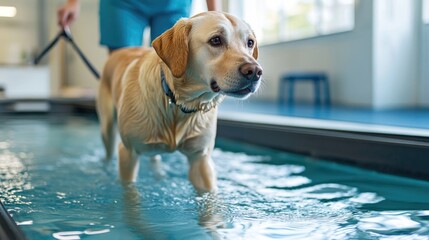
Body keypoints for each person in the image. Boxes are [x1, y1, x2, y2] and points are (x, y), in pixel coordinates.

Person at [57, 0, 221, 53]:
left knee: (171, 69)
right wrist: (73, 2)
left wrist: (217, 17)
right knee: (122, 70)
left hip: (172, 3)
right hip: (122, 4)